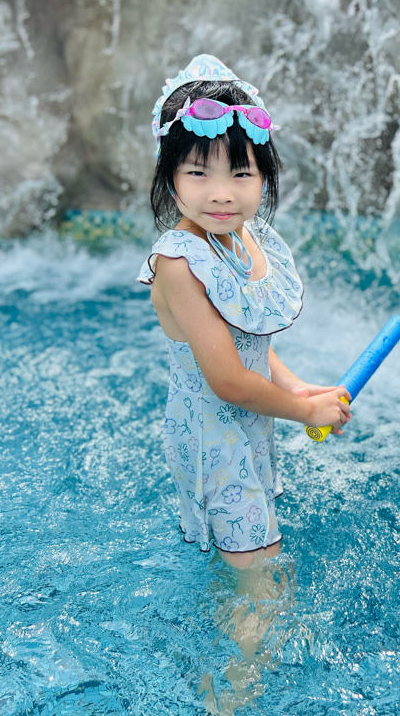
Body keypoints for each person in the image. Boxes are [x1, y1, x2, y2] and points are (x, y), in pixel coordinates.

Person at [138, 54, 351, 565]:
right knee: (258, 566)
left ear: (264, 178)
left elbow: (244, 334)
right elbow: (229, 381)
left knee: (246, 554)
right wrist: (306, 413)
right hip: (211, 437)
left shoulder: (240, 236)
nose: (221, 194)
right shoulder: (180, 263)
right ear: (170, 179)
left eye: (240, 173)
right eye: (198, 173)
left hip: (248, 421)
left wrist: (293, 387)